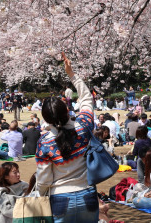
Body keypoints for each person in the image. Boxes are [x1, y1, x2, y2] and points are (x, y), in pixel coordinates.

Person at [35, 53, 99, 223]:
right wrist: (71, 74)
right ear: (67, 110)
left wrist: (40, 194)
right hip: (87, 192)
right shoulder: (84, 126)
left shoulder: (45, 142)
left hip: (60, 197)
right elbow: (86, 98)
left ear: (46, 119)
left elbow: (44, 178)